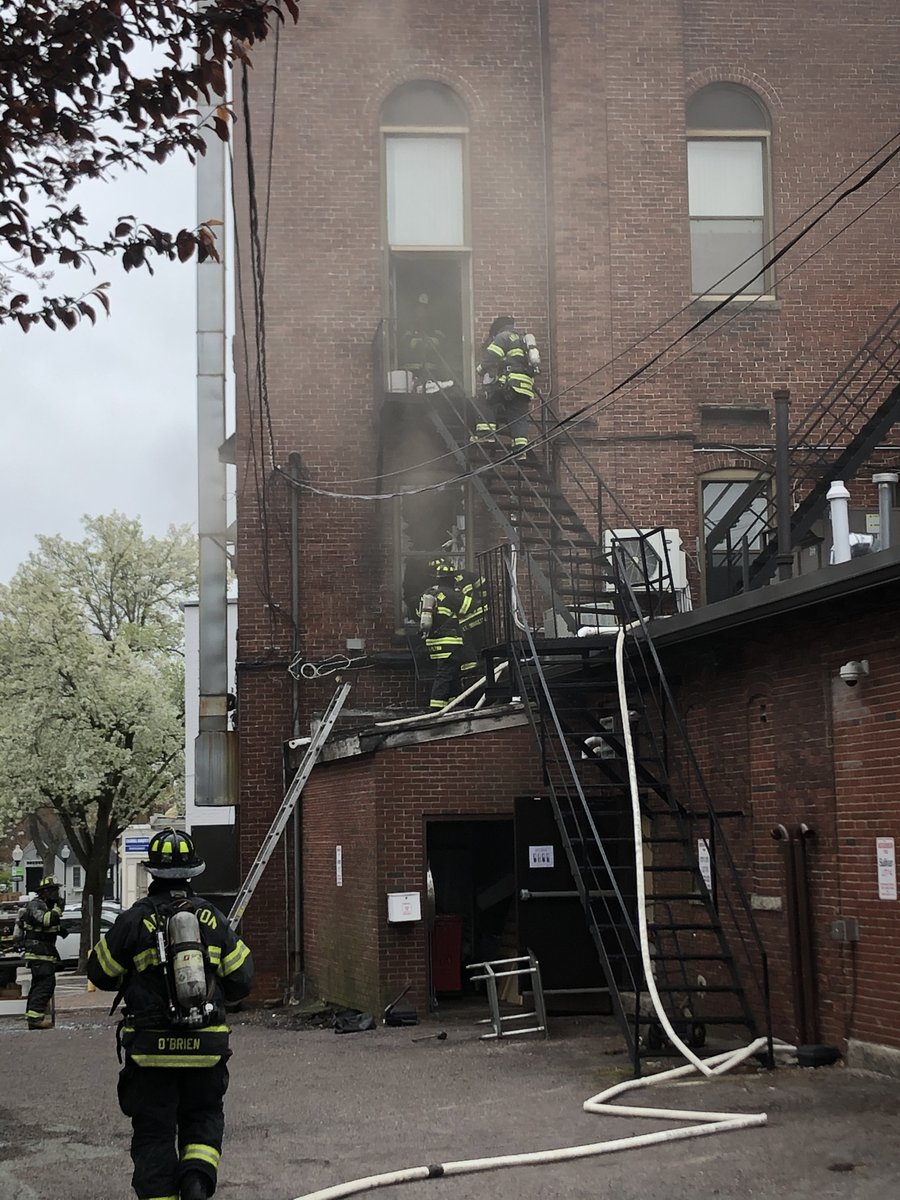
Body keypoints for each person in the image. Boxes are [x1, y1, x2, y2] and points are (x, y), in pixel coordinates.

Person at [87, 828, 253, 1200]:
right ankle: (195, 1182)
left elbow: (99, 973)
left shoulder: (133, 920)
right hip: (205, 1047)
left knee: (154, 1134)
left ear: (153, 872)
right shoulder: (213, 918)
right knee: (202, 1120)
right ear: (193, 872)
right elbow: (243, 980)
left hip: (151, 1051)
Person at [473, 314, 538, 452]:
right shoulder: (523, 340)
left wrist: (480, 369)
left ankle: (486, 434)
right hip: (526, 387)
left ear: (498, 329)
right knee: (518, 417)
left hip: (511, 382)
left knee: (485, 400)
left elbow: (492, 356)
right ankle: (520, 450)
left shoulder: (503, 336)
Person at [418, 558, 468, 710]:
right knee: (445, 674)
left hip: (433, 641)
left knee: (451, 674)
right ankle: (436, 708)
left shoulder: (428, 593)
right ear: (451, 579)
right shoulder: (452, 594)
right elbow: (469, 608)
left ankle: (452, 705)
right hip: (450, 642)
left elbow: (417, 613)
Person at [21, 874, 67, 1030]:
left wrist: (60, 930)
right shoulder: (36, 905)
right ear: (45, 892)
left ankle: (34, 1017)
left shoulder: (44, 905)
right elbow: (45, 920)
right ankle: (35, 1019)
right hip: (38, 952)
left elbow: (47, 927)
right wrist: (58, 910)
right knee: (45, 984)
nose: (56, 894)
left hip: (44, 952)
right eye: (53, 890)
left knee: (40, 984)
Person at [401, 293, 451, 392]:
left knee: (430, 389)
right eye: (420, 307)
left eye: (425, 308)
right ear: (415, 309)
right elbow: (402, 342)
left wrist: (434, 341)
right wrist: (413, 342)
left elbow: (443, 343)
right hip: (412, 367)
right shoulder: (409, 324)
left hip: (431, 368)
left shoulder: (435, 325)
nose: (422, 310)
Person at [453, 564, 489, 676]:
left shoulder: (448, 584)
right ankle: (483, 669)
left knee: (468, 649)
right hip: (479, 615)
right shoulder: (465, 574)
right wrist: (483, 600)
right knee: (482, 646)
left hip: (464, 622)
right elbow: (482, 582)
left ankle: (471, 673)